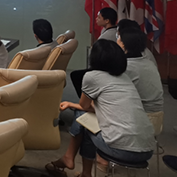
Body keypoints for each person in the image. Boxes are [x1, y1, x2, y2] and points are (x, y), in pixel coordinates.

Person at [48, 40, 155, 177]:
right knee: (87, 121)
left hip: (121, 150)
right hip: (147, 150)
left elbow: (84, 106)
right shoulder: (125, 78)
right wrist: (70, 104)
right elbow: (101, 109)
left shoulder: (92, 77)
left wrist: (70, 104)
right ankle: (75, 165)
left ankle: (75, 164)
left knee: (83, 119)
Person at [70, 7, 121, 97]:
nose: (96, 19)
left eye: (99, 17)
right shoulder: (112, 31)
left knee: (76, 75)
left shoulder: (108, 36)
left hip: (104, 67)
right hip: (106, 65)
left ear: (107, 20)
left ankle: (86, 100)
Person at [117, 27, 163, 114]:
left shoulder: (126, 67)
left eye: (118, 38)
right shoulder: (149, 63)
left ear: (123, 44)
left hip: (139, 114)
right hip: (157, 114)